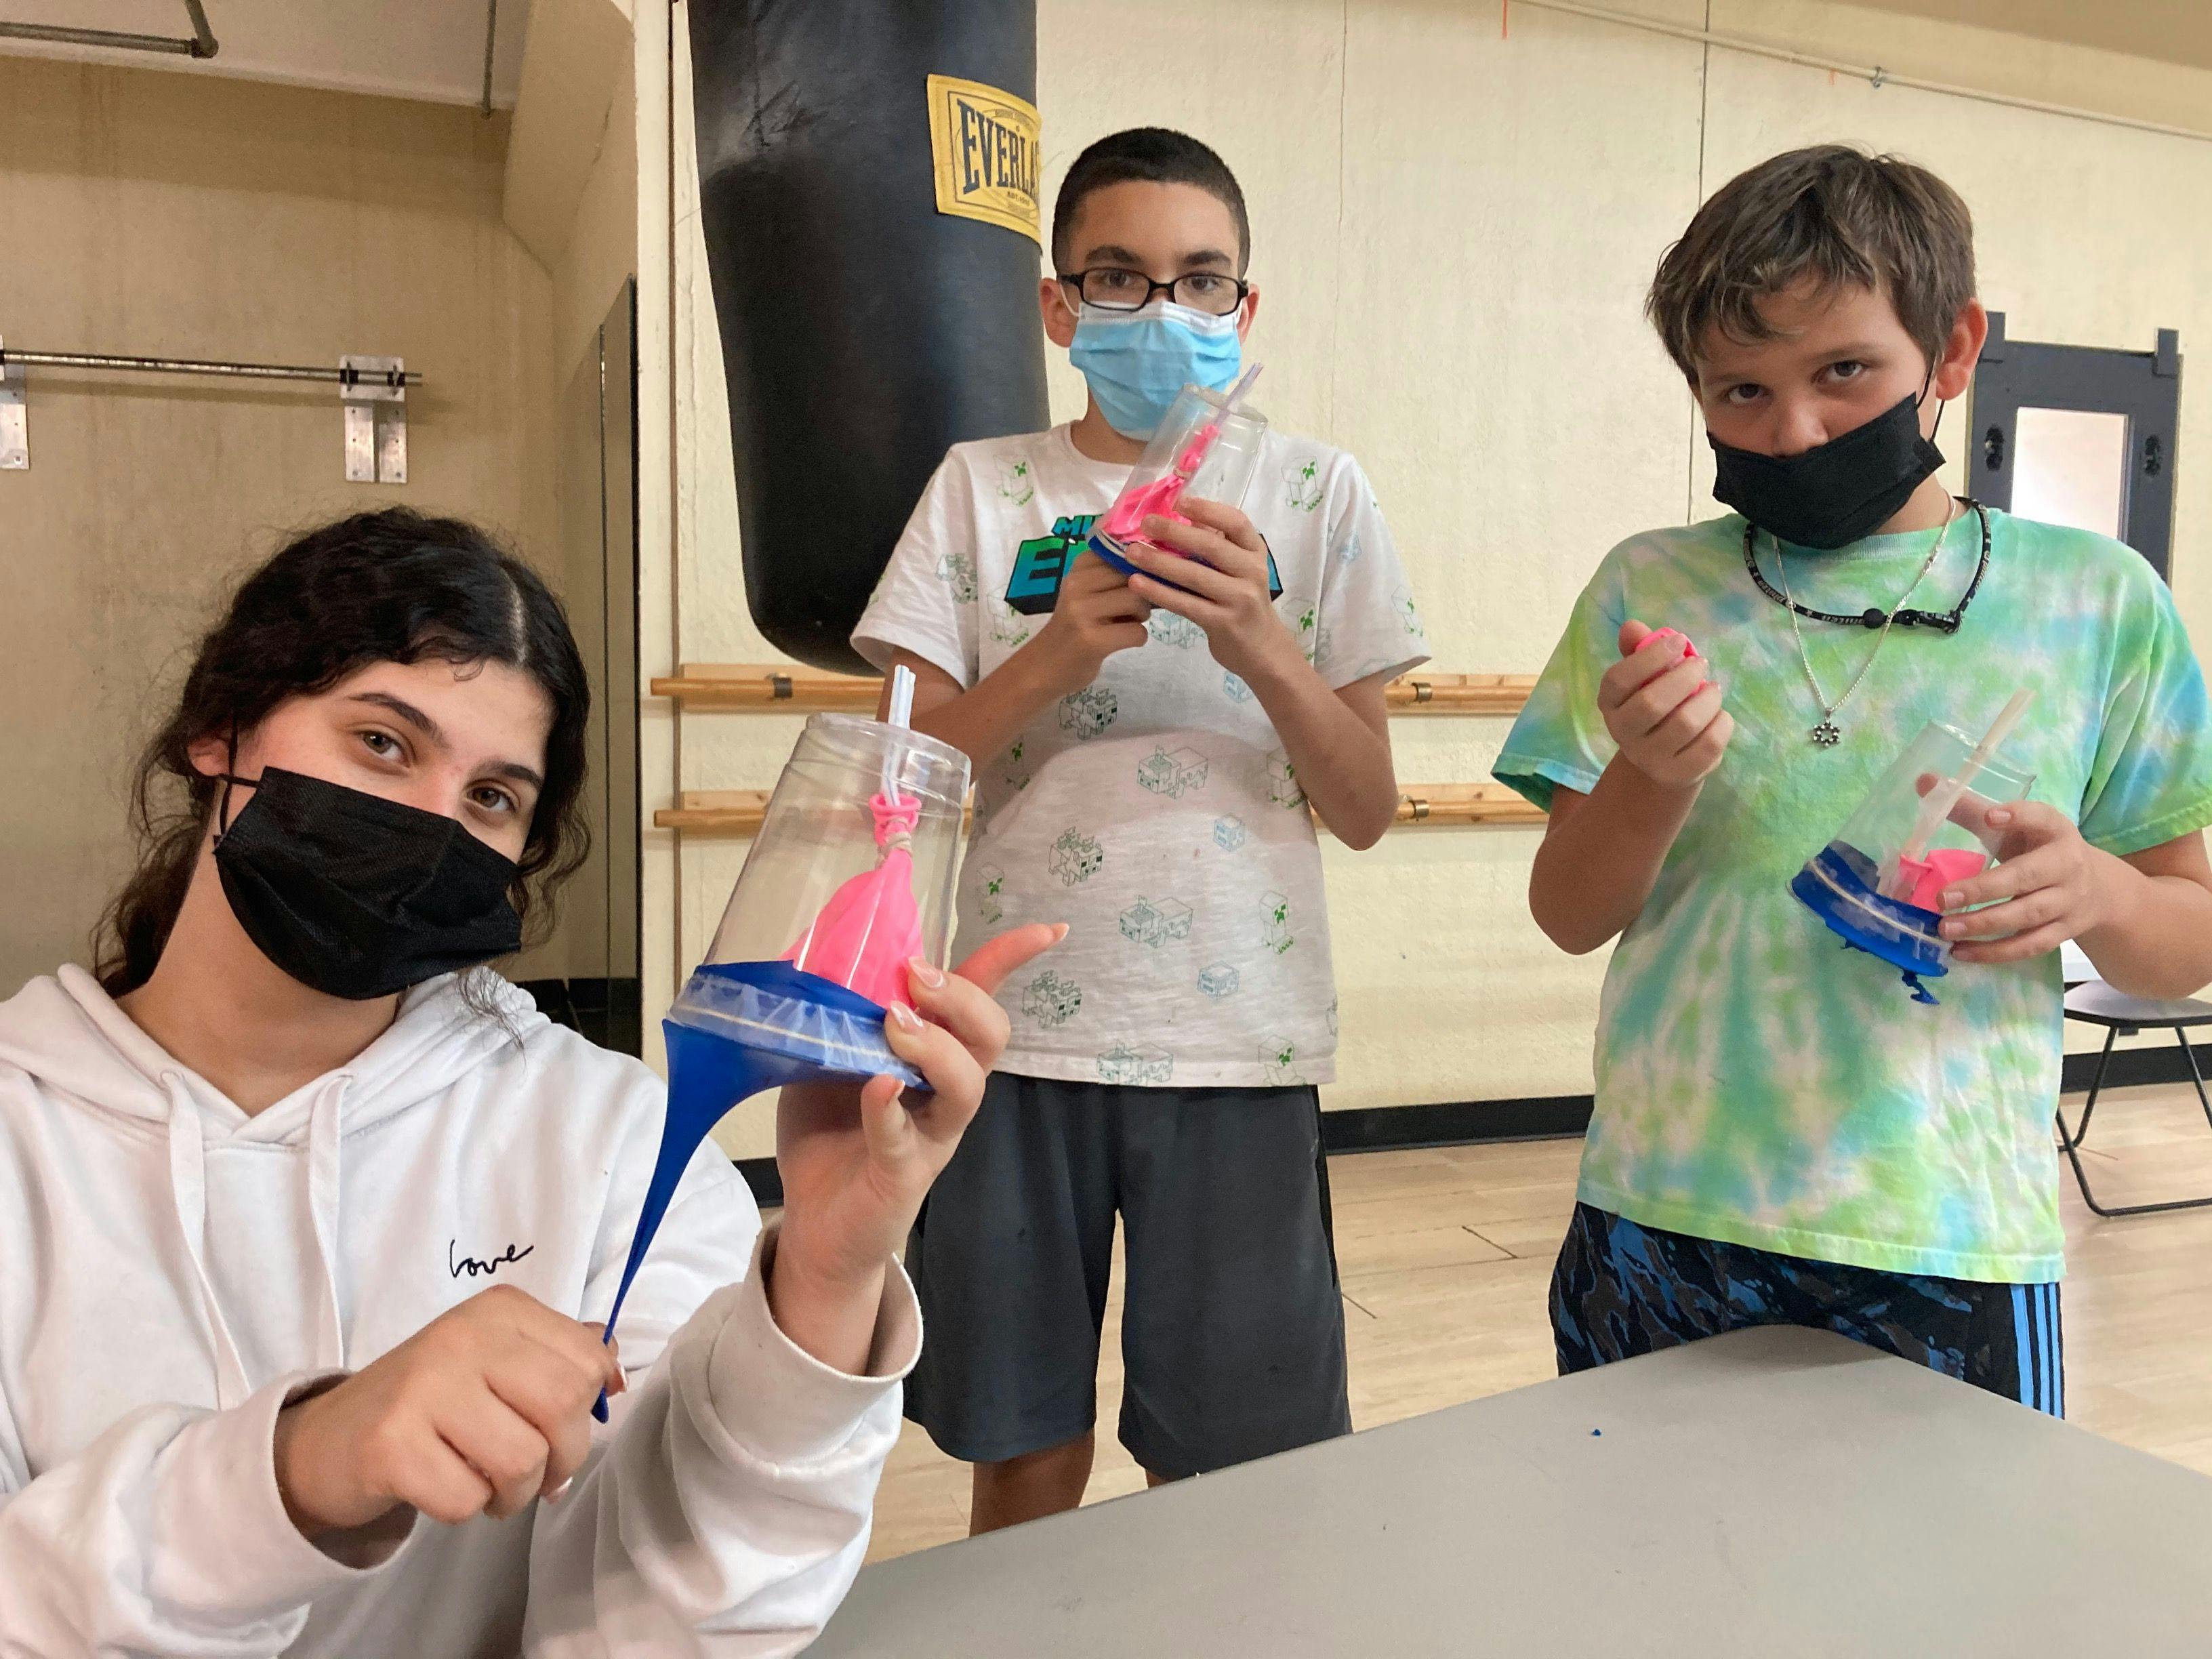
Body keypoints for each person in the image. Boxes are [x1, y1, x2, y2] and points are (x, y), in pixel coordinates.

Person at [0, 508, 1055, 1654]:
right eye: (385, 745)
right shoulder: (24, 1138)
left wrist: (819, 1292)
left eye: (492, 798)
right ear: (221, 728)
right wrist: (295, 1474)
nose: (429, 823)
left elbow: (681, 1618)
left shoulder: (606, 1141)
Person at [1495, 144, 2212, 1414]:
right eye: (1740, 391)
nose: (1797, 429)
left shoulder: (2098, 602)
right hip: (1664, 1206)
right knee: (1642, 1588)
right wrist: (1653, 779)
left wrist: (2095, 889)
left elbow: (2186, 940)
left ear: (1950, 351)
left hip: (1948, 1233)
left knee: (1937, 1609)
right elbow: (1568, 913)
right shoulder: (1650, 588)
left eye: (1844, 371)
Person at [853, 127, 1430, 1531]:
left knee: (1227, 1471)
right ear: (1058, 307)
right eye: (1117, 278)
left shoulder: (1319, 493)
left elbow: (1364, 806)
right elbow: (890, 786)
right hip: (1010, 1037)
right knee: (1022, 1440)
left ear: (1247, 310)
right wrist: (1055, 657)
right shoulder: (981, 492)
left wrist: (1263, 645)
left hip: (1241, 1044)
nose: (1161, 311)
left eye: (1199, 279)